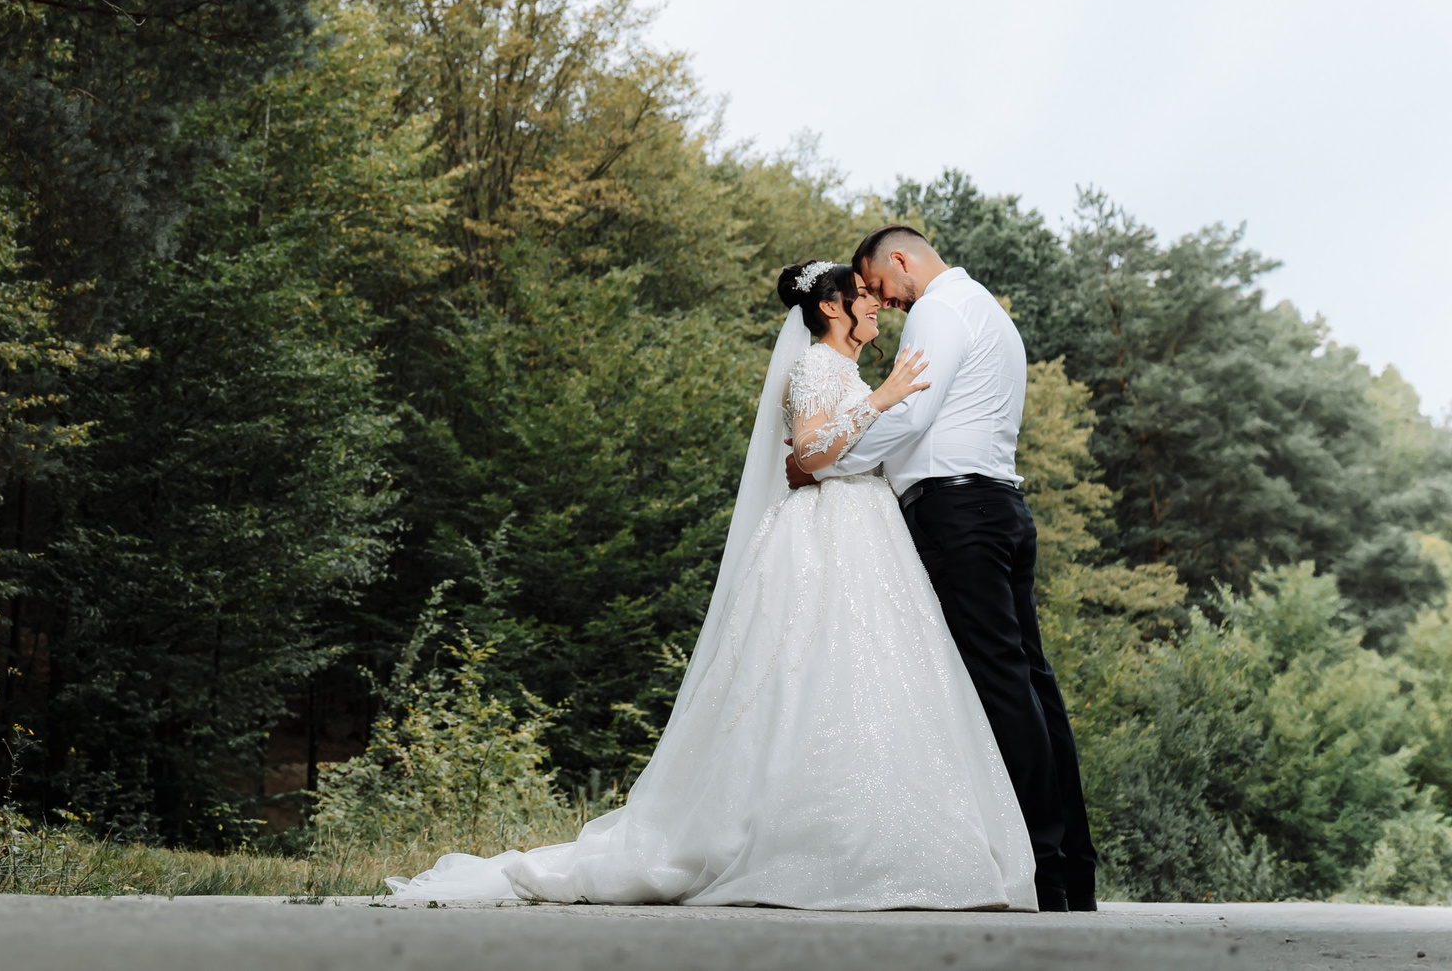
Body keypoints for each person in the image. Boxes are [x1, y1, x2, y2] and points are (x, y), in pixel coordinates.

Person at [386, 259, 1037, 909]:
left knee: (874, 678)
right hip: (819, 544)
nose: (876, 307)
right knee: (805, 677)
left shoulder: (850, 372)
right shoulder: (816, 366)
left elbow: (836, 453)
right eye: (864, 297)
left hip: (870, 535)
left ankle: (880, 837)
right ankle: (806, 843)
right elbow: (809, 453)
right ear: (832, 308)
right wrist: (884, 399)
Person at [792, 226, 1100, 912]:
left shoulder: (936, 308)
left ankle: (1044, 864)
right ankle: (1071, 868)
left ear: (901, 260)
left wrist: (834, 463)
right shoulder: (988, 309)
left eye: (878, 283)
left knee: (1000, 689)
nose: (881, 299)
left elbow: (910, 414)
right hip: (1001, 507)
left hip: (959, 514)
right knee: (1031, 687)